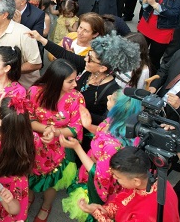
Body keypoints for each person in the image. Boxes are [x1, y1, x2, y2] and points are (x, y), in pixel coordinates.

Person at [60, 89, 142, 221]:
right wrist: (88, 126)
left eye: (111, 99)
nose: (108, 96)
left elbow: (98, 174)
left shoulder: (112, 147)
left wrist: (76, 147)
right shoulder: (116, 121)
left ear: (118, 109)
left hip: (96, 177)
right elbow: (103, 134)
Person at [26, 59, 84, 222]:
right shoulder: (34, 92)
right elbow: (28, 119)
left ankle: (46, 205)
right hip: (33, 143)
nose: (75, 85)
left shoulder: (76, 98)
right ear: (56, 81)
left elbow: (75, 128)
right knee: (29, 174)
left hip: (58, 149)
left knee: (52, 182)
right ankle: (28, 198)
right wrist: (46, 131)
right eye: (70, 81)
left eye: (75, 79)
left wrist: (56, 132)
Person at [78, 147, 180, 221]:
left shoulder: (145, 215)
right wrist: (102, 210)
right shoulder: (156, 180)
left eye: (118, 177)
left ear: (136, 181)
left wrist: (97, 213)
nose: (114, 178)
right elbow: (122, 201)